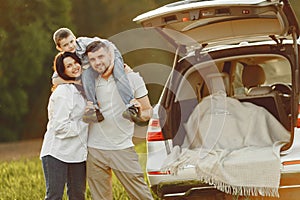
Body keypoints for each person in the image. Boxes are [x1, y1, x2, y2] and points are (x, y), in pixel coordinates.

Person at [85, 40, 153, 200]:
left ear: (111, 55)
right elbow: (59, 78)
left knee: (141, 196)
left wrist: (139, 112)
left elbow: (148, 112)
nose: (97, 62)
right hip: (94, 150)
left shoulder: (132, 79)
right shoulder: (89, 80)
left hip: (122, 148)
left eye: (101, 57)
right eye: (92, 59)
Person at [52, 28, 142, 124]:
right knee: (86, 76)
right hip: (95, 64)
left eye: (71, 41)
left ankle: (131, 106)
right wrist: (75, 81)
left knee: (118, 74)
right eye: (65, 45)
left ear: (75, 38)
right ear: (59, 48)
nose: (70, 46)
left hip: (111, 55)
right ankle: (94, 109)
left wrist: (111, 65)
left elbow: (109, 46)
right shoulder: (66, 58)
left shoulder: (84, 43)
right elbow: (55, 79)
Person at [40, 52, 88, 200]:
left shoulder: (83, 89)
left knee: (78, 196)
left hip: (77, 154)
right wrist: (85, 121)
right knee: (54, 196)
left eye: (75, 63)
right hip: (56, 153)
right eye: (69, 66)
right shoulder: (63, 92)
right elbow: (61, 127)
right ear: (63, 71)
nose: (74, 67)